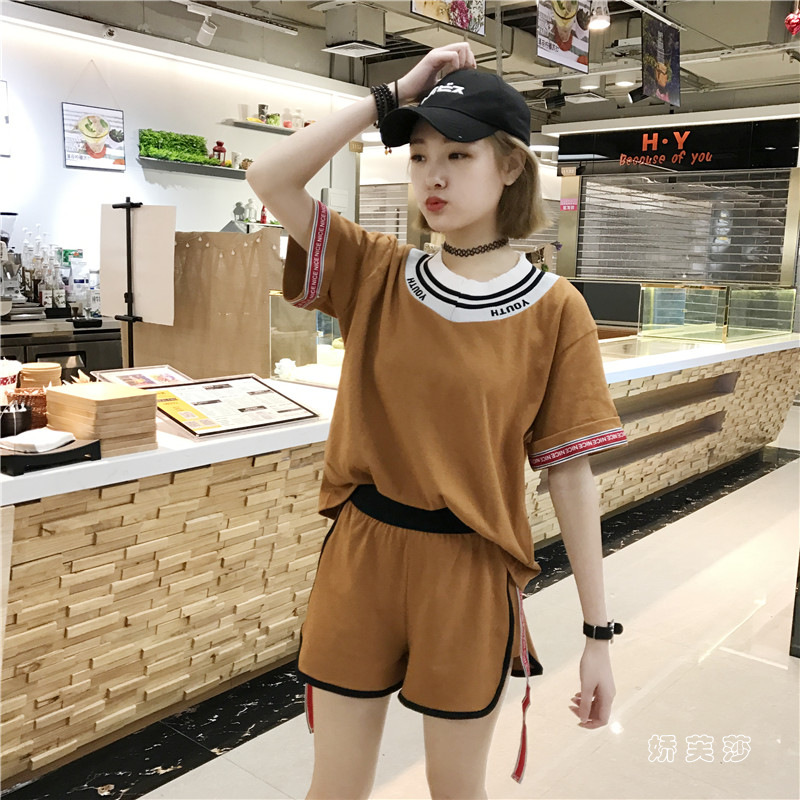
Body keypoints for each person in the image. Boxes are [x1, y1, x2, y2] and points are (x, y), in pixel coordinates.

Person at [247, 42, 628, 800]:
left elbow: (571, 475)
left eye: (458, 153)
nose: (434, 176)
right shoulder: (376, 271)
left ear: (510, 166)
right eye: (419, 156)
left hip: (470, 568)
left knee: (456, 789)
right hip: (363, 552)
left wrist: (597, 635)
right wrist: (392, 94)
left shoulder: (556, 311)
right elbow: (269, 177)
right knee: (334, 790)